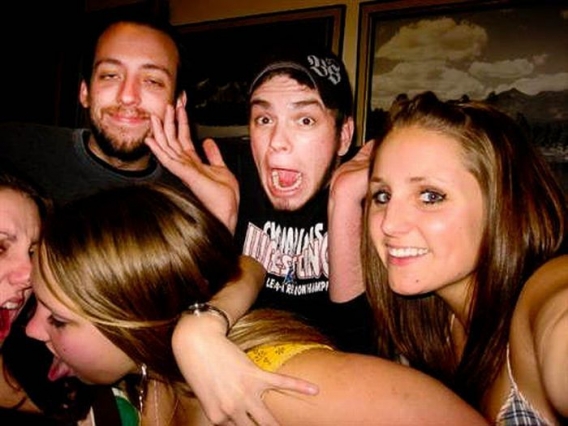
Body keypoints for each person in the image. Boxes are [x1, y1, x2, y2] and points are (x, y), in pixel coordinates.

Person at [0, 13, 315, 425]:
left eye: (151, 81)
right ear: (84, 91)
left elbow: (240, 273)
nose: (129, 97)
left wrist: (221, 217)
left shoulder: (194, 190)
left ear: (177, 103)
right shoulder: (18, 150)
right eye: (110, 75)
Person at [24, 183, 488, 426]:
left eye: (58, 319)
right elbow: (247, 265)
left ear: (138, 315)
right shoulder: (153, 375)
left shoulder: (270, 380)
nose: (33, 329)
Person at [149, 47, 376, 355]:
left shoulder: (370, 191)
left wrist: (345, 204)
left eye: (305, 120)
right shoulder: (225, 175)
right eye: (264, 119)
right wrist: (220, 220)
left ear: (344, 136)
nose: (277, 142)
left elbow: (361, 350)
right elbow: (167, 324)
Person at [362, 91, 568, 424]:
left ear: (504, 205)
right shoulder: (427, 326)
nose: (388, 224)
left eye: (430, 196)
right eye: (382, 195)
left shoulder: (543, 289)